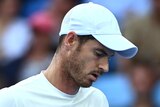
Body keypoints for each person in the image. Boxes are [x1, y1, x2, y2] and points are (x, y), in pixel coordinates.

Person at [0, 2, 138, 107]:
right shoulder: (11, 100)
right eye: (98, 53)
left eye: (108, 58)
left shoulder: (97, 100)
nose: (105, 67)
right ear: (70, 40)